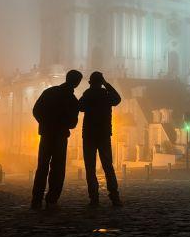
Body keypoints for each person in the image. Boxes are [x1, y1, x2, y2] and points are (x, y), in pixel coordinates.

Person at [31, 69, 82, 210]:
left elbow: (36, 110)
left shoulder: (50, 92)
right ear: (77, 83)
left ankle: (36, 200)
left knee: (42, 167)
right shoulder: (72, 100)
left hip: (46, 134)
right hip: (60, 136)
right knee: (58, 169)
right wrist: (63, 123)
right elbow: (73, 123)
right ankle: (52, 200)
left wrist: (45, 123)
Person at [79, 71, 122, 207]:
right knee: (108, 166)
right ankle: (114, 197)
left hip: (89, 135)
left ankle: (94, 199)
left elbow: (80, 107)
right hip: (103, 134)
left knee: (90, 168)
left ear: (91, 82)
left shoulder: (87, 94)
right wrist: (107, 84)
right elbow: (118, 99)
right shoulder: (106, 95)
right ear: (101, 81)